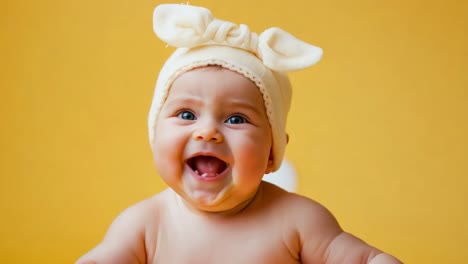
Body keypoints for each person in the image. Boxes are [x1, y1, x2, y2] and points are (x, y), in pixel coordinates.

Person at [77, 4, 402, 264]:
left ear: (272, 152)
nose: (208, 132)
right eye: (186, 114)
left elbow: (363, 259)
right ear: (154, 136)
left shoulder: (299, 221)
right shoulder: (144, 225)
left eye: (235, 119)